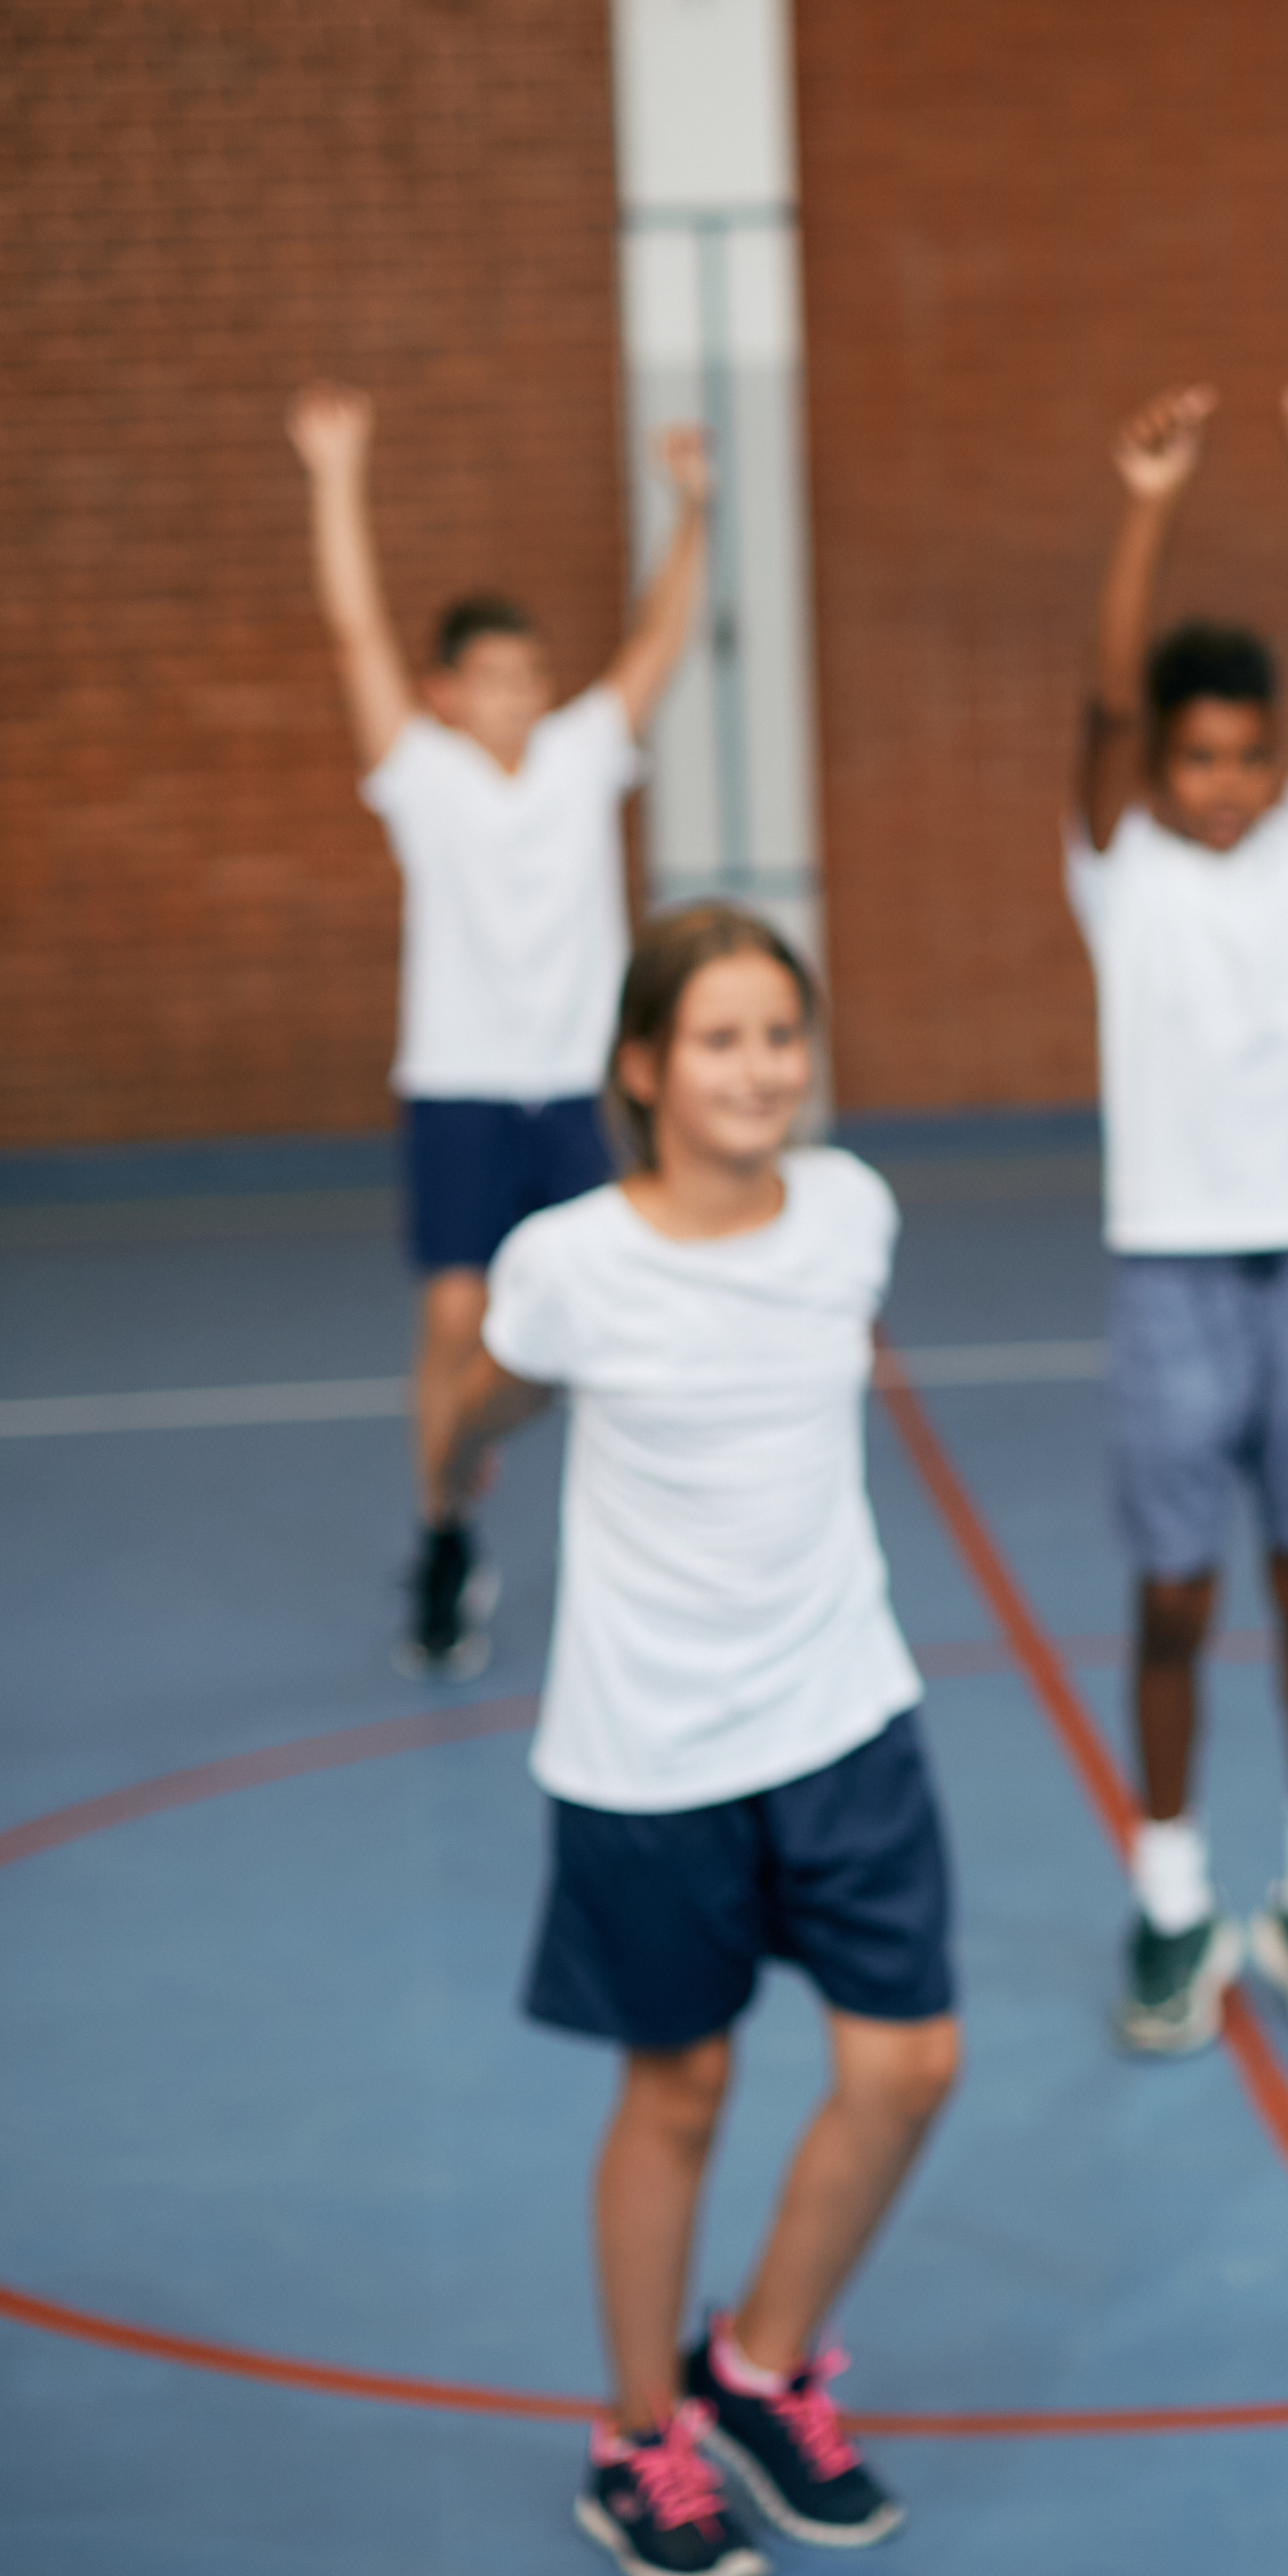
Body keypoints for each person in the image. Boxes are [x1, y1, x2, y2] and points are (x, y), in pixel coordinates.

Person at [434, 902, 959, 2576]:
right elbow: (487, 1394)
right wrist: (462, 1459)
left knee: (909, 2065)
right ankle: (638, 2433)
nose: (761, 1071)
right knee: (683, 2088)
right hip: (649, 1753)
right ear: (646, 1070)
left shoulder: (854, 1215)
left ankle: (761, 2367)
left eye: (782, 1038)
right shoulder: (570, 1260)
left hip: (840, 1714)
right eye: (721, 1041)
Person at [1064, 368, 1288, 2057]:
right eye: (1198, 758)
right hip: (1173, 1281)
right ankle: (1171, 1898)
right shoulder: (1118, 868)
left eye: (1249, 758)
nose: (1224, 782)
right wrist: (1152, 500)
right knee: (1178, 1601)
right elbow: (1105, 704)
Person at [289, 382, 714, 1679]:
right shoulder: (423, 780)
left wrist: (691, 509)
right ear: (448, 692)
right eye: (495, 679)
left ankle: (655, 1553)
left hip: (581, 1097)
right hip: (464, 1091)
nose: (522, 697)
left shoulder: (586, 755)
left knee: (621, 1316)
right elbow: (353, 627)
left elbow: (657, 637)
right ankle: (444, 1533)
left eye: (536, 676)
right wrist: (335, 473)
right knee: (455, 1328)